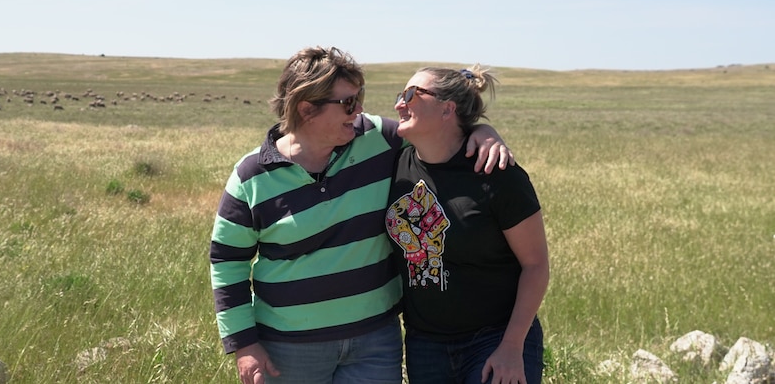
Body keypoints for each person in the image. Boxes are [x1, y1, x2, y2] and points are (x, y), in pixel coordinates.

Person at [209, 46, 515, 384]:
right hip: (289, 349)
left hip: (375, 343)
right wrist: (245, 345)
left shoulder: (379, 140)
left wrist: (482, 132)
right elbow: (227, 262)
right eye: (347, 103)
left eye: (360, 97)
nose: (359, 110)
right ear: (307, 109)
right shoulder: (251, 176)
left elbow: (440, 135)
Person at [385, 65, 549, 384]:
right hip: (425, 343)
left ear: (448, 109)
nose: (399, 104)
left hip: (496, 337)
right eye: (399, 95)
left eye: (410, 95)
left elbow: (536, 265)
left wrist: (512, 346)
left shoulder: (497, 173)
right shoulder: (393, 162)